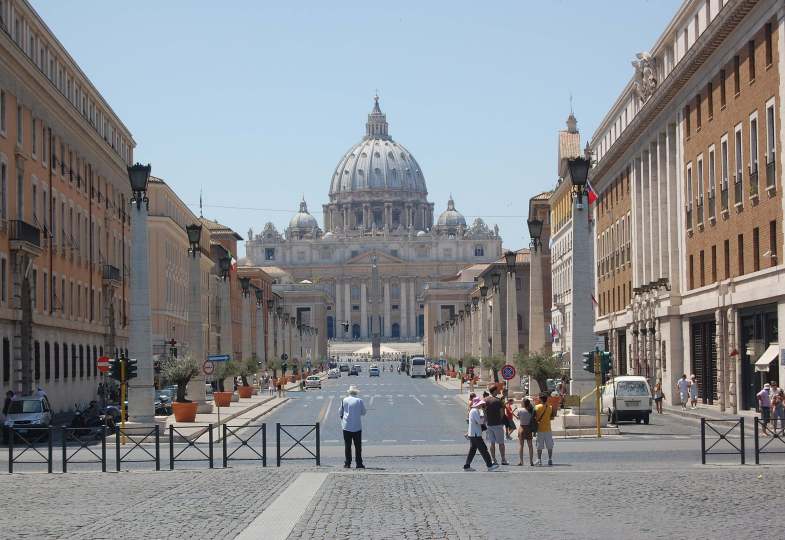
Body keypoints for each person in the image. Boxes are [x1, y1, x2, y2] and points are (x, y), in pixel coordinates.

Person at [464, 398, 499, 471]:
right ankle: (489, 465)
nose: (482, 405)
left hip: (473, 434)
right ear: (478, 404)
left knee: (472, 450)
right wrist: (484, 417)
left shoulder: (473, 411)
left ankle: (467, 466)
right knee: (483, 449)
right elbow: (479, 422)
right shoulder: (475, 411)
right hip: (476, 434)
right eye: (481, 404)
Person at [339, 385, 366, 469]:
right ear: (356, 392)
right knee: (358, 446)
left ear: (349, 392)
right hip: (357, 426)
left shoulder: (344, 400)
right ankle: (359, 463)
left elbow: (340, 411)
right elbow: (363, 412)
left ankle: (347, 463)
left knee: (347, 446)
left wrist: (343, 418)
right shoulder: (359, 401)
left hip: (346, 426)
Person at [483, 385, 508, 465]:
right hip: (498, 424)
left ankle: (493, 459)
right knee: (501, 443)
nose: (498, 391)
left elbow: (483, 412)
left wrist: (487, 420)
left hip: (489, 424)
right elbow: (502, 413)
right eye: (497, 390)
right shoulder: (498, 401)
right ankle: (503, 459)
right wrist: (500, 420)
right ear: (494, 391)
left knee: (492, 443)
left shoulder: (485, 400)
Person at [534, 392, 557, 466]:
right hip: (548, 429)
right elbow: (552, 417)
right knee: (549, 446)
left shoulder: (537, 407)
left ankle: (539, 460)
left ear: (540, 399)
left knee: (539, 446)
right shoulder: (550, 407)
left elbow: (534, 417)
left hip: (539, 429)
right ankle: (550, 459)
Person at [516, 398, 535, 466]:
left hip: (522, 428)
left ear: (523, 403)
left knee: (521, 446)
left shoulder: (520, 410)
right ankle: (531, 461)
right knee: (530, 445)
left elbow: (518, 418)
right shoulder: (531, 410)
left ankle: (521, 461)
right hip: (529, 428)